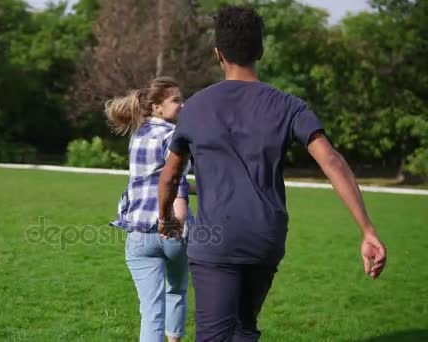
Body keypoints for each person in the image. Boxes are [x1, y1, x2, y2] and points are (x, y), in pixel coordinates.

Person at [156, 6, 387, 342]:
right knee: (244, 329)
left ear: (218, 54)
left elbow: (169, 177)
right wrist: (367, 229)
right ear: (260, 51)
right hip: (265, 238)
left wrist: (166, 218)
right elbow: (333, 161)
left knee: (214, 335)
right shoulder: (289, 106)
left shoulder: (196, 108)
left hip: (214, 242)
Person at [107, 77, 194, 342]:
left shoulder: (137, 136)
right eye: (176, 100)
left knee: (151, 311)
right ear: (157, 107)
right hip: (170, 229)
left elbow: (152, 179)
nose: (183, 105)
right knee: (177, 290)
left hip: (138, 233)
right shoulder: (175, 137)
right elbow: (174, 182)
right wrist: (176, 220)